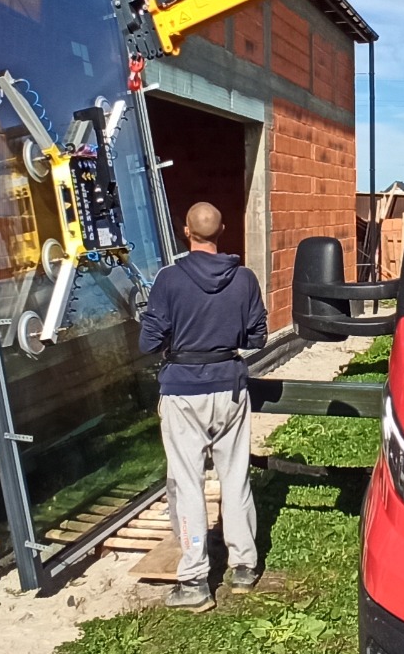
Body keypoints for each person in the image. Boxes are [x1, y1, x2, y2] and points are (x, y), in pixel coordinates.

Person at [138, 201, 266, 611]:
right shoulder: (244, 278)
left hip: (181, 392)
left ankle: (194, 580)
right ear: (222, 229)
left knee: (186, 483)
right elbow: (257, 338)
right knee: (236, 476)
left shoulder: (168, 279)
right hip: (230, 387)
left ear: (185, 232)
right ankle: (244, 566)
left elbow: (148, 343)